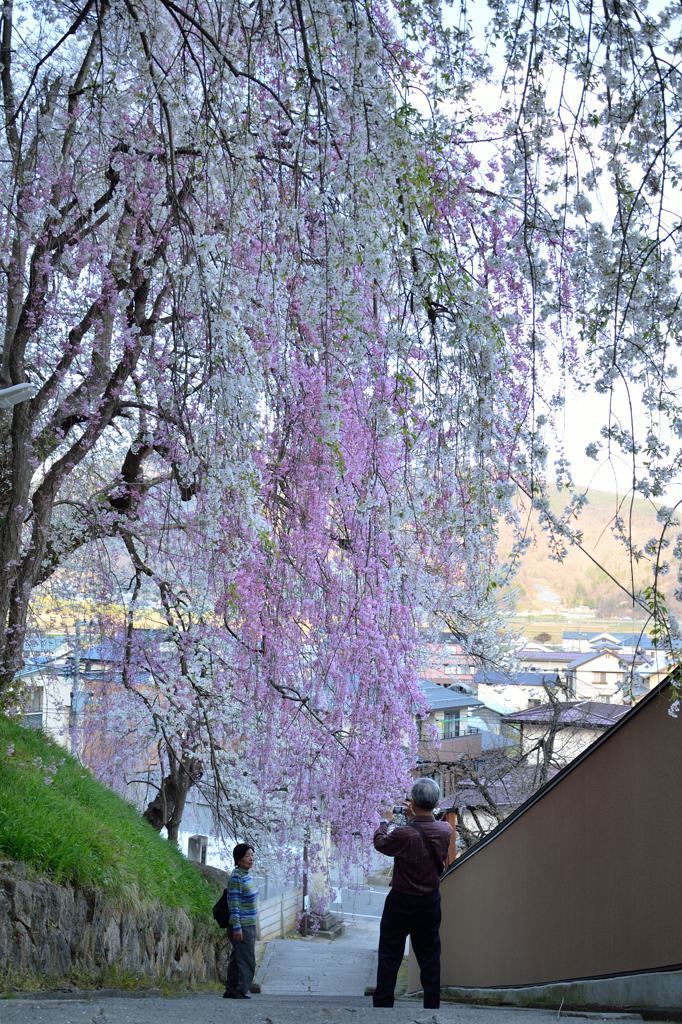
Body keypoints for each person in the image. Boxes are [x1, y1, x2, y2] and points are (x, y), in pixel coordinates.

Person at [372, 777, 452, 1009]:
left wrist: (384, 821)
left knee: (390, 952)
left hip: (401, 901)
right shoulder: (445, 829)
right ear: (435, 803)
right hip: (429, 902)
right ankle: (431, 1004)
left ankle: (384, 1002)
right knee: (430, 955)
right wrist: (416, 816)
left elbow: (381, 843)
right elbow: (430, 828)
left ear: (413, 801)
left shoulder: (403, 833)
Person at [224, 843, 258, 999]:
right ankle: (242, 989)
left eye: (252, 855)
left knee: (237, 958)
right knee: (247, 960)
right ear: (238, 859)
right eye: (247, 856)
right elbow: (234, 903)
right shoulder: (236, 877)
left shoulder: (246, 875)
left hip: (249, 924)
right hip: (241, 925)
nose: (251, 859)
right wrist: (237, 927)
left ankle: (231, 989)